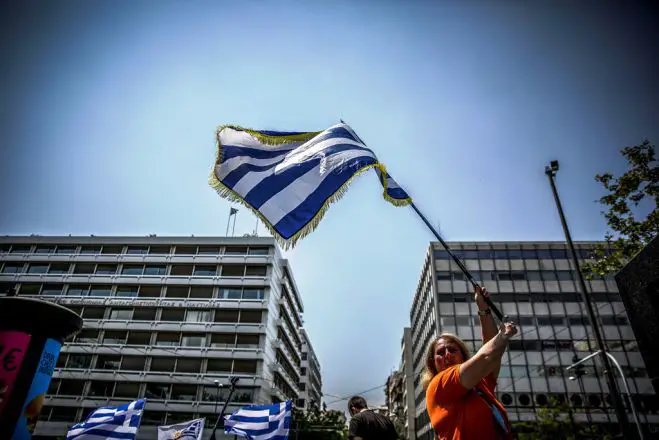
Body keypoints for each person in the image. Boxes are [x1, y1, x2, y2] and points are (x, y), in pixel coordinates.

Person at [422, 286, 518, 439]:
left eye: (452, 350)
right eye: (440, 352)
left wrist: (483, 306)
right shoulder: (439, 385)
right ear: (433, 363)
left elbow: (491, 352)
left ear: (463, 355)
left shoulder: (480, 384)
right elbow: (486, 356)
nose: (447, 354)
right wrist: (503, 335)